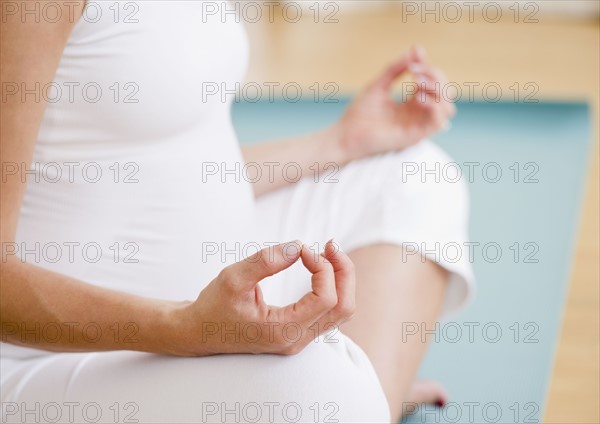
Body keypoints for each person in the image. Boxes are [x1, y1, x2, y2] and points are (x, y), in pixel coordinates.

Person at [0, 2, 473, 422]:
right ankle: (368, 399)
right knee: (322, 390)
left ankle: (372, 401)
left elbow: (171, 168)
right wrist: (185, 328)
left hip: (203, 298)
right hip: (44, 359)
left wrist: (343, 141)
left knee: (416, 175)